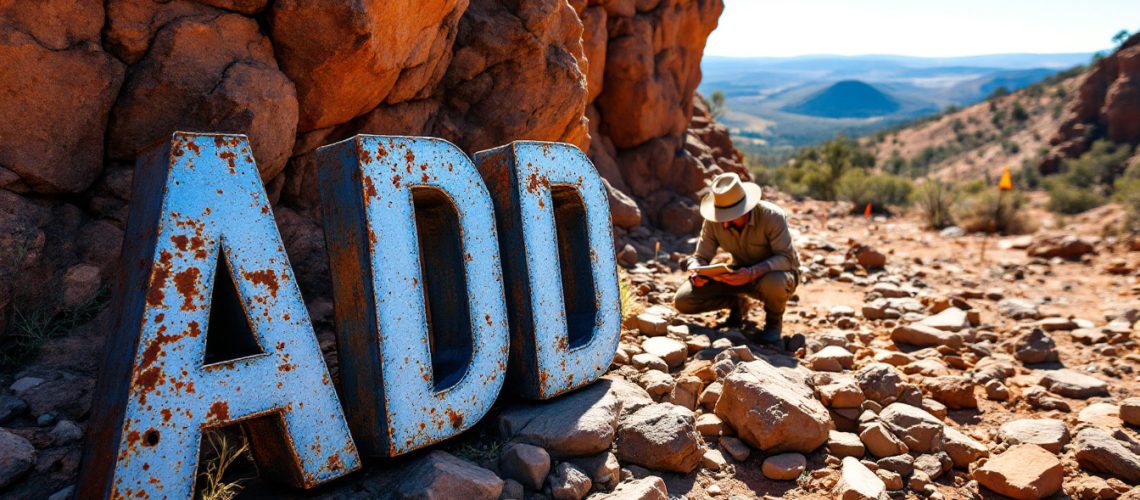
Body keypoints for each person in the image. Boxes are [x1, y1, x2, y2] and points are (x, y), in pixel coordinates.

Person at [673, 172, 801, 343]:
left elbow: (787, 259)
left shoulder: (772, 216)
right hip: (737, 274)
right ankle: (738, 305)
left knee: (774, 282)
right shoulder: (714, 219)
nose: (724, 224)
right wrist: (696, 271)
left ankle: (773, 323)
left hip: (772, 275)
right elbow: (700, 256)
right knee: (683, 300)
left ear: (746, 209)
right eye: (721, 217)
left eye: (730, 217)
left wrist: (753, 272)